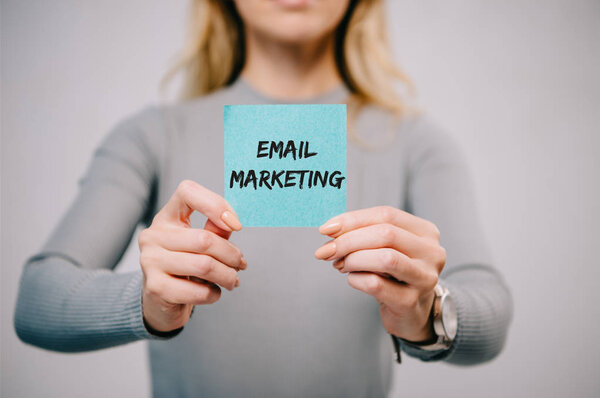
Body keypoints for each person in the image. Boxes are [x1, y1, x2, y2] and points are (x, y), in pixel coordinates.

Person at [13, 0, 513, 396]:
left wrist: (427, 311)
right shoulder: (153, 135)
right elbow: (37, 302)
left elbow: (490, 313)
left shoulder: (414, 142)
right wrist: (149, 301)